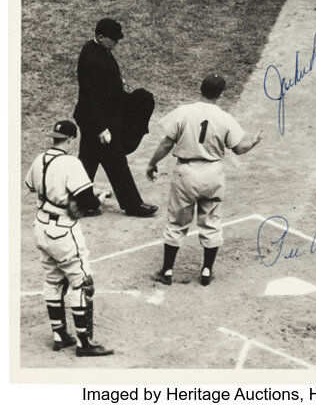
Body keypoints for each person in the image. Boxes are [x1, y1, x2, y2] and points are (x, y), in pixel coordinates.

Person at [146, 74, 263, 286]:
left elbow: (166, 144)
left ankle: (168, 271)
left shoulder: (183, 112)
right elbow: (239, 148)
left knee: (176, 222)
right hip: (213, 174)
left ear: (201, 87)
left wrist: (152, 163)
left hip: (186, 172)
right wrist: (253, 143)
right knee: (211, 222)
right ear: (220, 94)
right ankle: (207, 270)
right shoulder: (225, 118)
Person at [25, 120, 113, 356]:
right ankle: (84, 344)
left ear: (54, 137)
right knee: (82, 284)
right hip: (63, 231)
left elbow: (32, 186)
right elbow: (87, 202)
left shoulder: (38, 159)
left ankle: (59, 335)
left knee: (53, 280)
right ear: (72, 139)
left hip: (40, 226)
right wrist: (100, 198)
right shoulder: (71, 163)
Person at [74, 18, 158, 217]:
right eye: (113, 39)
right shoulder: (93, 59)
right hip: (99, 120)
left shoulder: (99, 50)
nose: (116, 43)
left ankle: (80, 201)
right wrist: (101, 128)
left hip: (96, 118)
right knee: (116, 161)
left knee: (88, 160)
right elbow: (90, 97)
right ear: (101, 37)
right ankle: (132, 205)